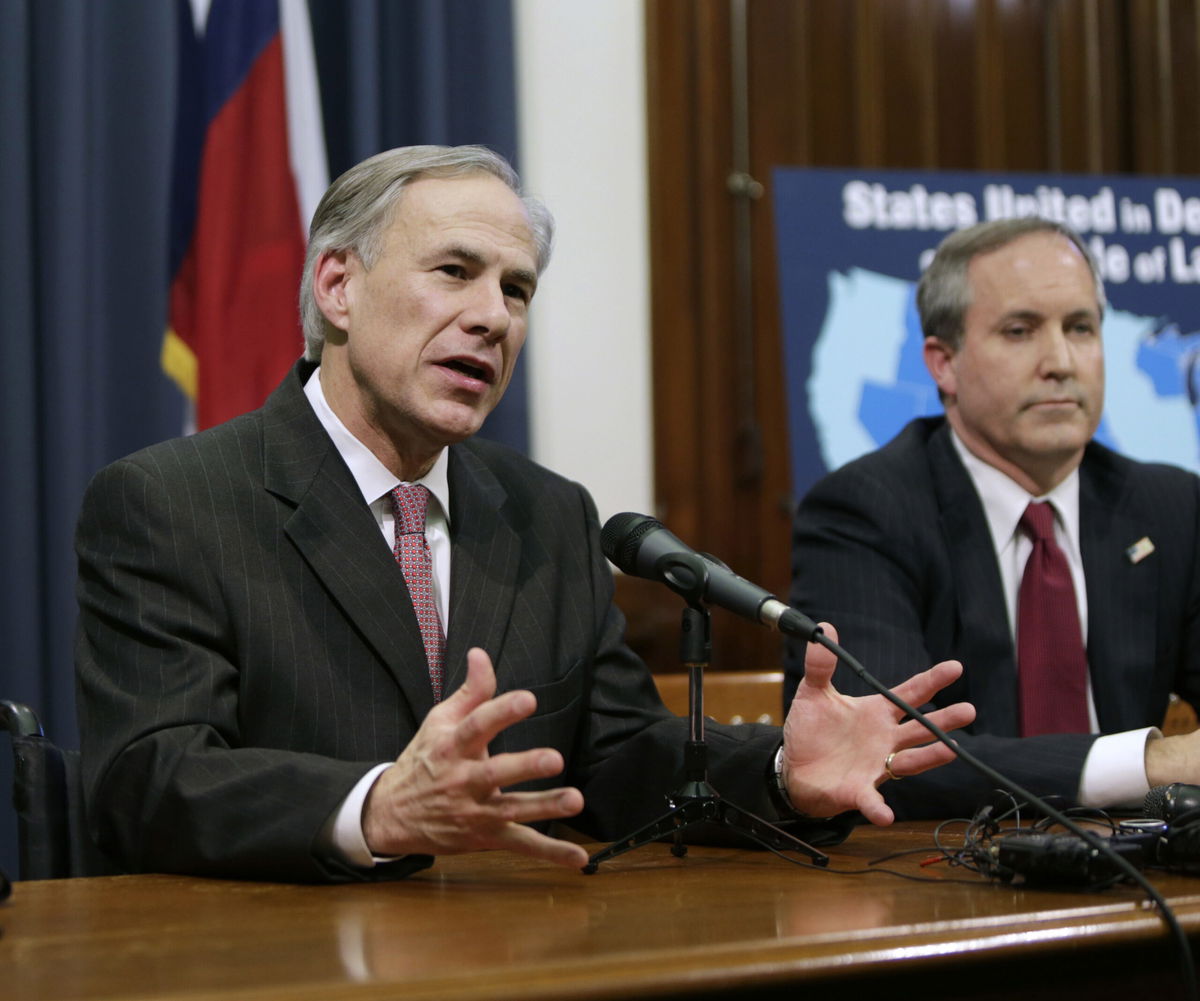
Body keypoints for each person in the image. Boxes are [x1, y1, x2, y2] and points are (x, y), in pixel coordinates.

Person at [75, 145, 974, 883]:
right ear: (338, 287)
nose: (492, 317)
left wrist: (781, 773)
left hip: (516, 950)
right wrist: (375, 805)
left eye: (516, 289)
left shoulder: (547, 513)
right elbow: (149, 776)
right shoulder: (171, 501)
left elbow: (614, 757)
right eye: (455, 272)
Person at [785, 216, 1200, 820]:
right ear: (943, 363)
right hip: (945, 874)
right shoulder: (864, 511)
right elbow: (878, 756)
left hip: (1140, 870)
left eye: (1080, 328)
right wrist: (1150, 764)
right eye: (1019, 330)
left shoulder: (1170, 508)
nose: (1060, 361)